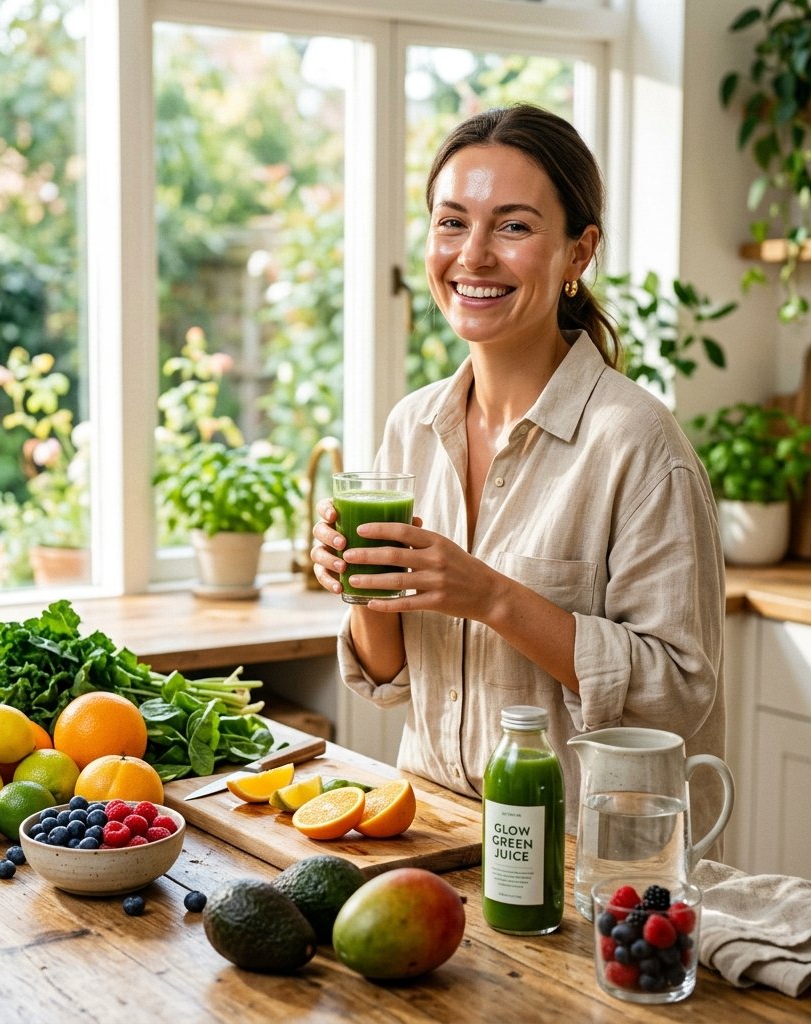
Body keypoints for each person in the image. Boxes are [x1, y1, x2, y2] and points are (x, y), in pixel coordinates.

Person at [310, 104, 727, 847]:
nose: (472, 255)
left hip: (590, 870)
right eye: (450, 222)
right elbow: (393, 678)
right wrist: (362, 584)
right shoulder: (412, 426)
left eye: (513, 226)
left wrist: (491, 596)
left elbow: (677, 693)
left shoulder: (637, 444)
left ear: (577, 253)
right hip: (433, 836)